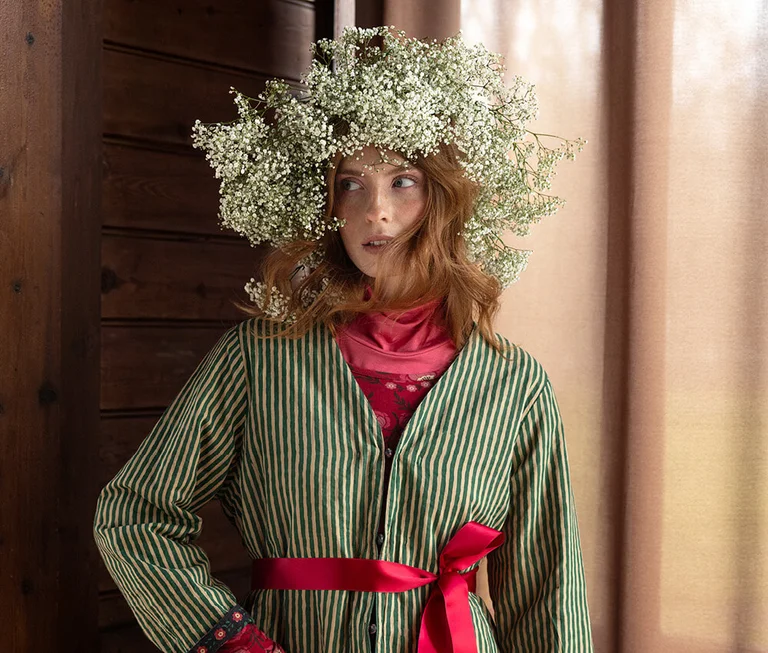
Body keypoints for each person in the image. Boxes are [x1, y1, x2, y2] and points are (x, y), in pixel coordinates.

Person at [93, 26, 592, 653]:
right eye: (350, 182)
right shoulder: (259, 357)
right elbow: (136, 516)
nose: (372, 212)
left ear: (444, 197)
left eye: (402, 181)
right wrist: (231, 643)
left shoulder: (515, 385)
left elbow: (550, 593)